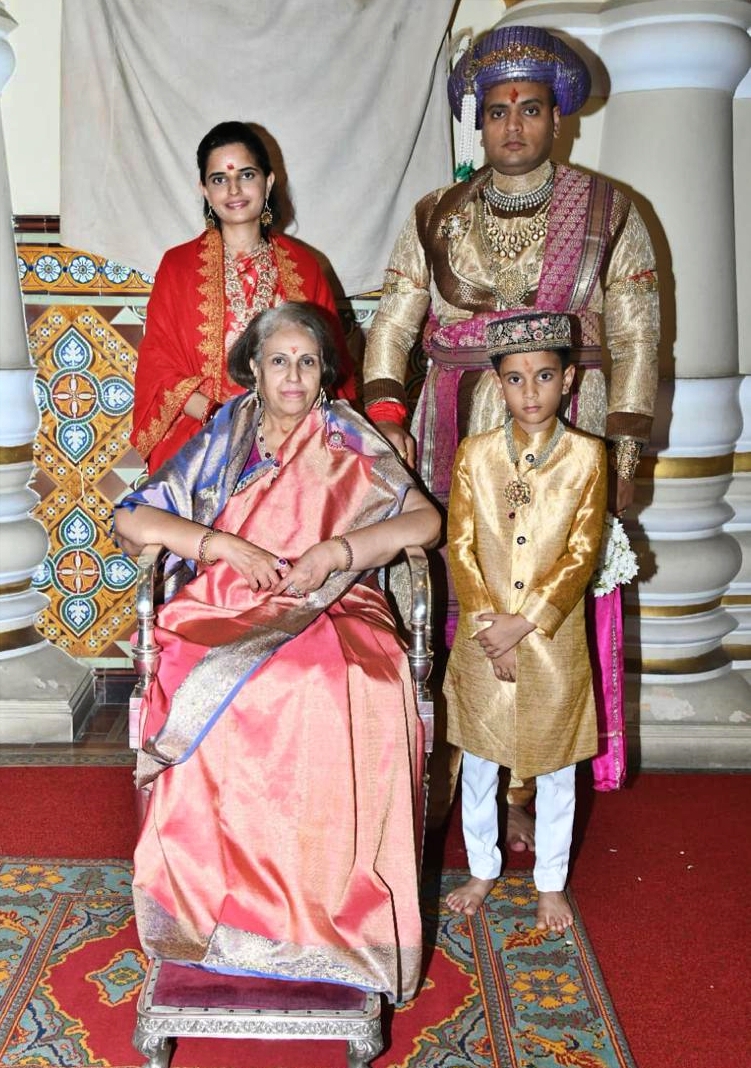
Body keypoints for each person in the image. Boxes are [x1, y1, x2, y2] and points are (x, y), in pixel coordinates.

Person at [362, 24, 659, 848]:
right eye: (496, 112)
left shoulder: (608, 211)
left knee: (546, 599)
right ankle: (447, 761)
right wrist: (387, 419)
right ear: (477, 121)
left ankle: (531, 781)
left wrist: (625, 452)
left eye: (530, 109)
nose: (513, 126)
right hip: (454, 427)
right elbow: (391, 324)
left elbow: (635, 334)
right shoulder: (435, 215)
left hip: (570, 426)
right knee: (454, 593)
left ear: (557, 116)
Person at [114, 303, 441, 1002]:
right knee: (236, 682)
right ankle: (217, 909)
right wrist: (221, 545)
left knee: (337, 681)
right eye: (278, 360)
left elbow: (424, 518)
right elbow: (132, 514)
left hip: (336, 602)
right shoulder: (225, 434)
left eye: (307, 361)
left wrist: (337, 553)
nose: (292, 375)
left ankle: (332, 924)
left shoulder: (348, 436)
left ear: (325, 372)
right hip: (229, 603)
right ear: (253, 370)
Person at [443, 311, 607, 930]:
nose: (530, 393)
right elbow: (459, 545)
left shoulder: (587, 457)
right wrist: (491, 626)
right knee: (481, 762)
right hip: (486, 640)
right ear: (498, 385)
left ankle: (550, 882)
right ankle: (482, 866)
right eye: (515, 379)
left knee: (556, 762)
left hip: (550, 642)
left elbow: (580, 554)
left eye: (543, 376)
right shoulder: (475, 456)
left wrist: (523, 624)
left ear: (568, 380)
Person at [131, 120, 356, 475]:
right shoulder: (178, 267)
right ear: (204, 190)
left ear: (268, 182)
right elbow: (158, 371)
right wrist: (222, 420)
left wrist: (280, 429)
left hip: (293, 440)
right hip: (203, 436)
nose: (234, 189)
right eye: (219, 179)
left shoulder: (305, 268)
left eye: (246, 175)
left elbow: (333, 370)